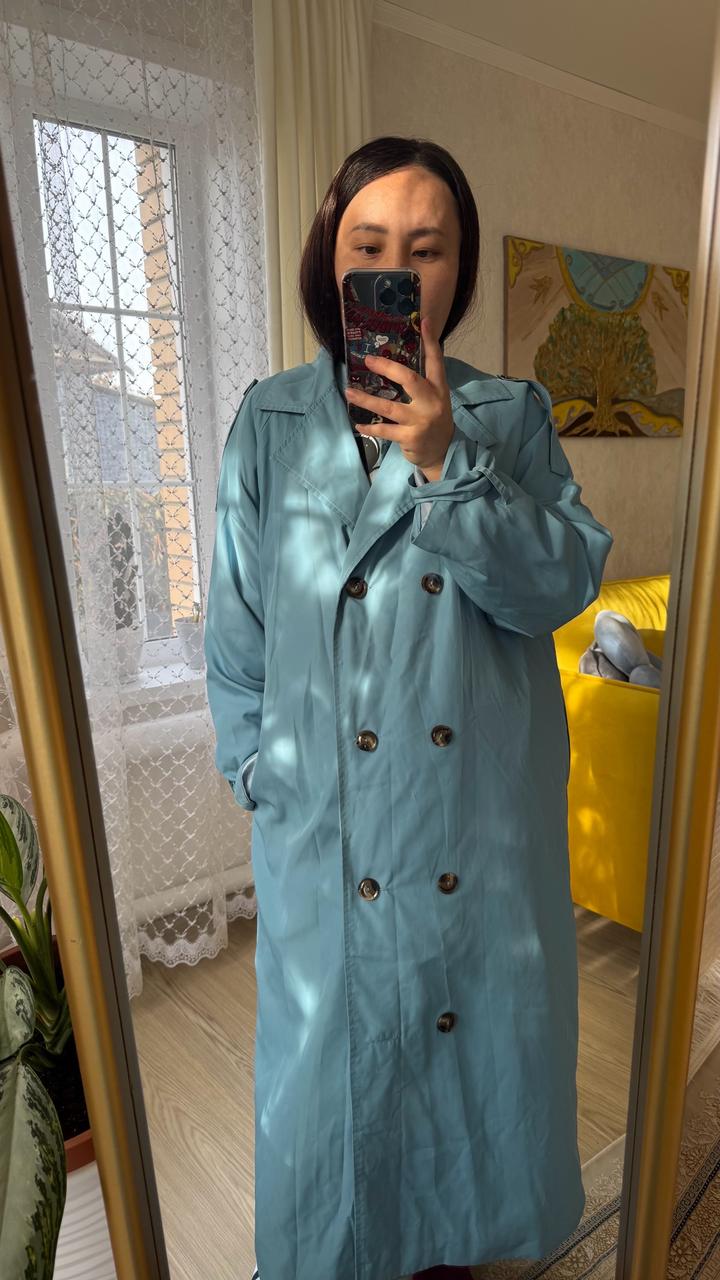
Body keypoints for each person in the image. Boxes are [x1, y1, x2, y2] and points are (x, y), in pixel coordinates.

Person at [204, 135, 614, 1280]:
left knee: (468, 1109)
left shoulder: (510, 414)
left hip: (469, 842)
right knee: (335, 1121)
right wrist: (260, 774)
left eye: (425, 249)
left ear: (458, 270)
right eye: (369, 244)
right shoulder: (270, 421)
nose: (397, 270)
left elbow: (560, 585)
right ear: (330, 263)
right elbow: (236, 635)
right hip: (328, 841)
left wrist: (446, 458)